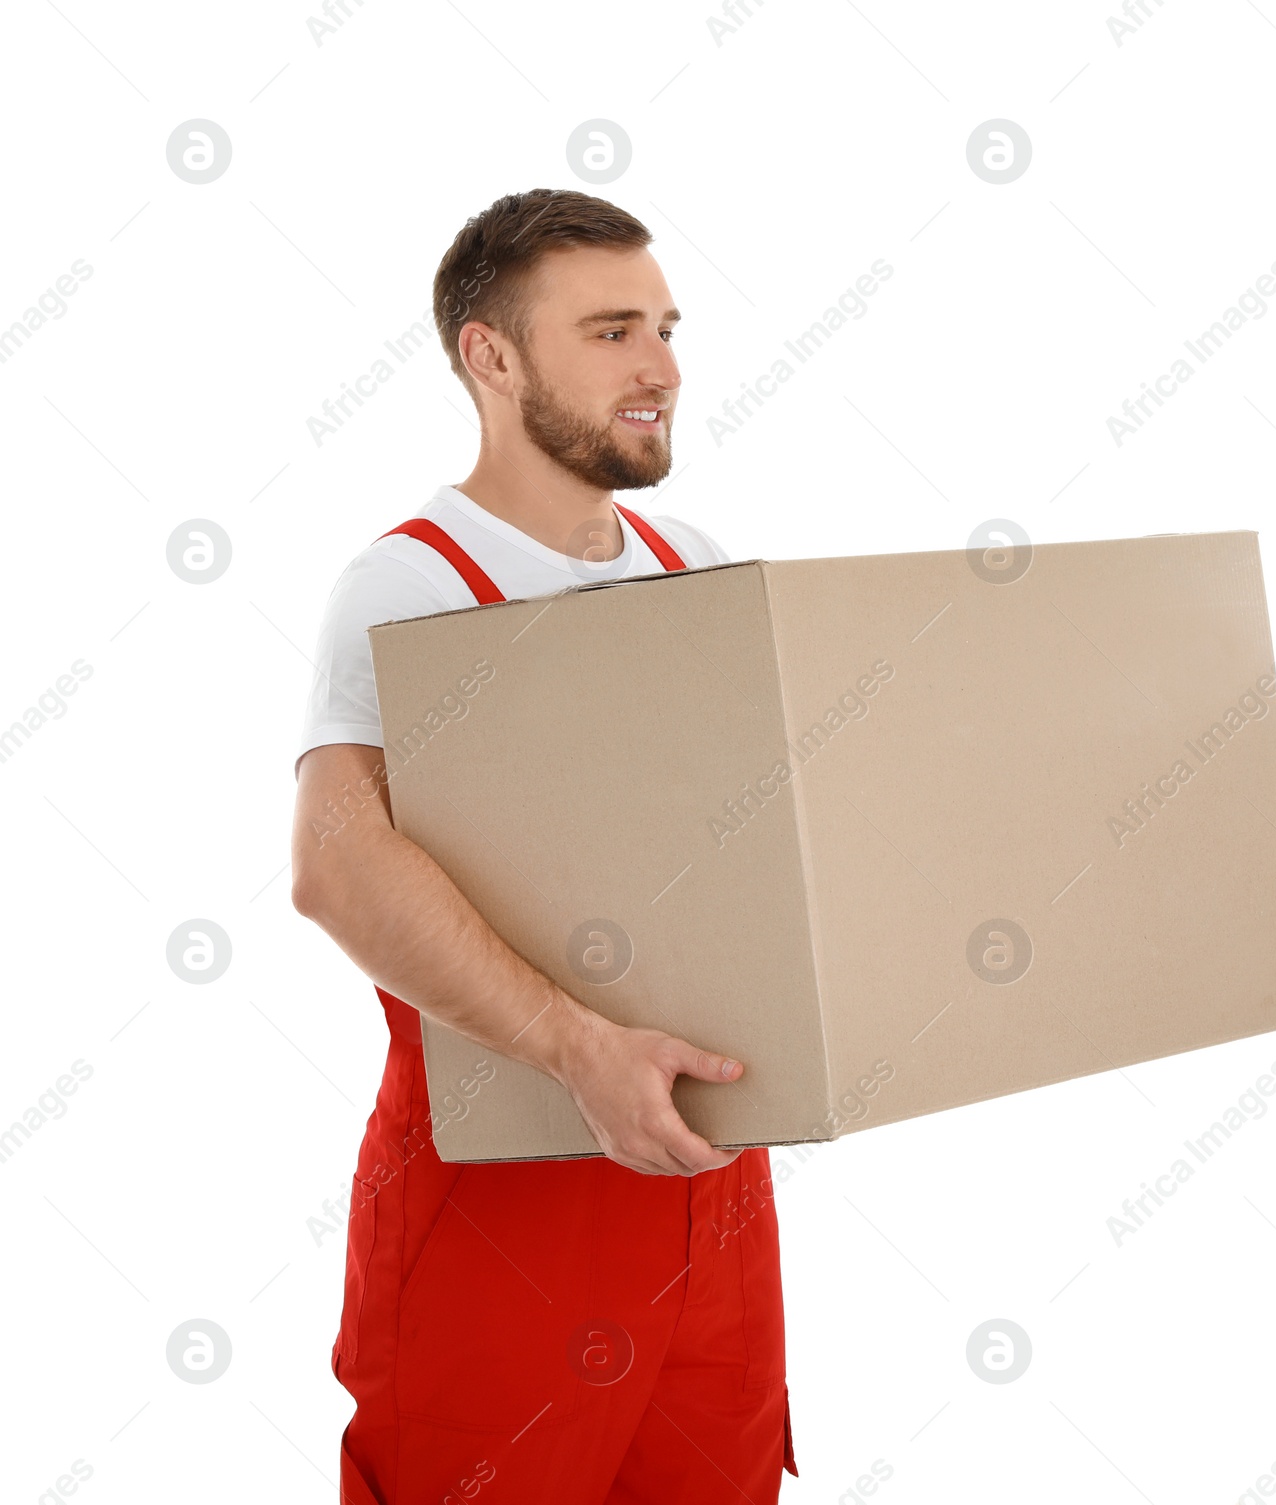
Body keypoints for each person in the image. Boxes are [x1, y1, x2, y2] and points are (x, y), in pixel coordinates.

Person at [290, 188, 796, 1505]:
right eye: (613, 331)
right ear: (492, 356)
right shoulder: (409, 583)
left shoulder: (701, 567)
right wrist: (579, 1047)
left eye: (666, 328)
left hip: (711, 1186)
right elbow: (336, 867)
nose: (662, 369)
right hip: (497, 1196)